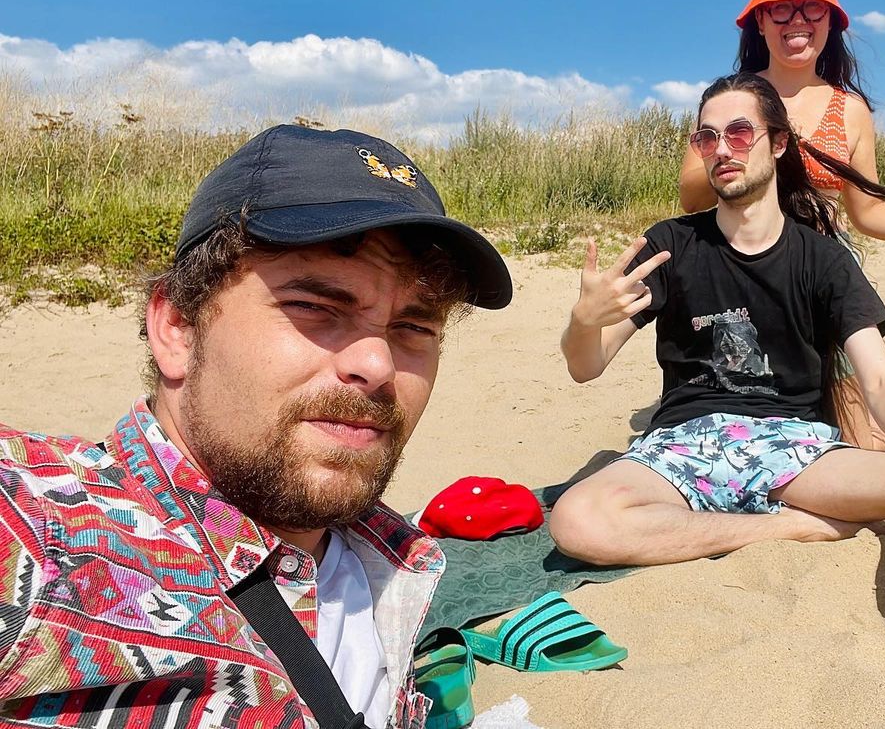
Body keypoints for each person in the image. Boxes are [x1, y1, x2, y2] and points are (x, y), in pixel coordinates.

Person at [550, 74, 885, 723]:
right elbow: (585, 366)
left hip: (794, 447)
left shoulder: (823, 259)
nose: (722, 148)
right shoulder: (671, 244)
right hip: (685, 444)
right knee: (577, 520)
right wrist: (583, 321)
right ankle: (791, 527)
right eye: (707, 137)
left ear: (777, 144)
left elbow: (879, 379)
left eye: (738, 132)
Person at [0, 125, 513, 729]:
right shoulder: (50, 536)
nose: (378, 365)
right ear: (178, 328)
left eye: (415, 328)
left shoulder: (389, 554)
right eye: (314, 307)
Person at [678, 0, 885, 451]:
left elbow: (867, 211)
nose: (797, 19)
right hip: (742, 268)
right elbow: (691, 194)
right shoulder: (734, 98)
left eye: (812, 7)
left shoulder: (850, 109)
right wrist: (755, 149)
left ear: (831, 20)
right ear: (760, 21)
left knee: (865, 443)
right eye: (781, 8)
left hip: (822, 273)